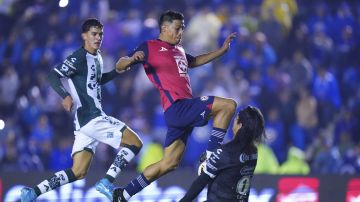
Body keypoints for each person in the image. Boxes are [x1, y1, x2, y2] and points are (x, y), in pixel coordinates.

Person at [112, 10, 237, 201]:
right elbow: (120, 65)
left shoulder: (178, 50)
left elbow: (194, 61)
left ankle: (124, 194)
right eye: (178, 29)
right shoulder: (149, 47)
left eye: (183, 29)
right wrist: (130, 60)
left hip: (179, 111)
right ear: (164, 27)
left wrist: (221, 51)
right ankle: (211, 157)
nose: (181, 33)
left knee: (168, 163)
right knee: (228, 105)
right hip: (178, 107)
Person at [20, 18, 144, 202]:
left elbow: (96, 82)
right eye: (94, 34)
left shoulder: (97, 57)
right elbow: (53, 75)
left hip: (83, 122)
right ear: (84, 36)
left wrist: (118, 71)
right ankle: (107, 182)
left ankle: (33, 193)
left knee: (78, 171)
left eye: (100, 34)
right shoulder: (79, 57)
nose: (98, 37)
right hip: (92, 117)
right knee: (135, 142)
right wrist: (65, 95)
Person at [180, 106, 266, 202]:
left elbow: (201, 181)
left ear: (240, 125)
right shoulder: (253, 152)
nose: (233, 122)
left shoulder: (225, 152)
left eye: (236, 119)